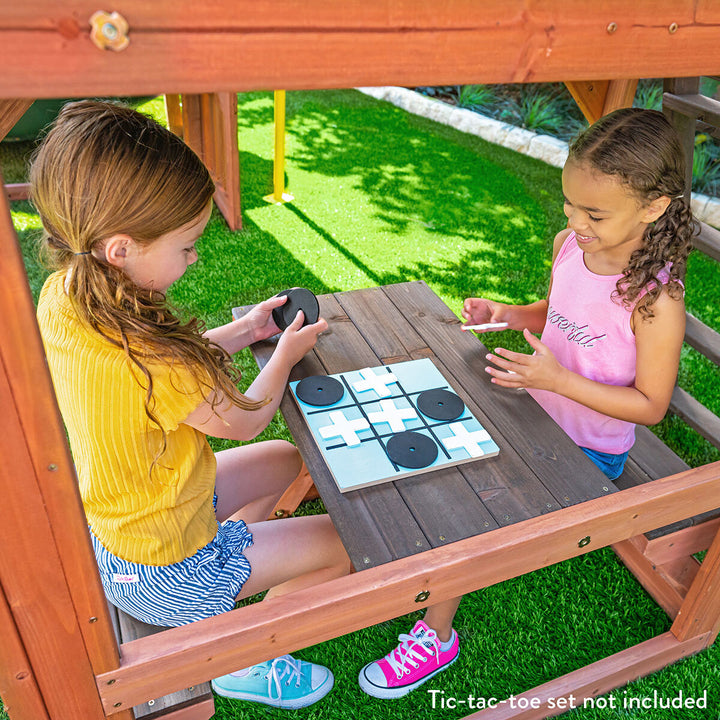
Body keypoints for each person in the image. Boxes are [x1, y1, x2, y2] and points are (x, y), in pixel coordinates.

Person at [358, 107, 696, 699]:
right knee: (438, 421)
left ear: (654, 206)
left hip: (588, 450)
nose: (574, 221)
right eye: (569, 204)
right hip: (532, 405)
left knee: (468, 513)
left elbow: (650, 407)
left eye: (593, 213)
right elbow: (556, 313)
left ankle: (436, 637)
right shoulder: (572, 246)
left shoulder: (655, 299)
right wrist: (509, 315)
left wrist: (558, 380)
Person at [33, 100, 351, 710]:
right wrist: (283, 354)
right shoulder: (159, 359)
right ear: (121, 248)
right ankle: (245, 655)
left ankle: (241, 555)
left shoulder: (68, 292)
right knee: (345, 543)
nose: (194, 257)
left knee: (285, 459)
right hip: (171, 574)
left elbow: (157, 380)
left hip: (122, 531)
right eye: (187, 246)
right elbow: (247, 417)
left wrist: (244, 333)